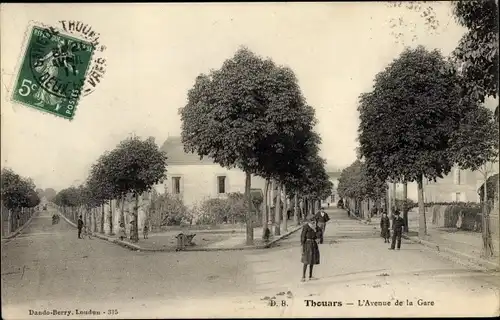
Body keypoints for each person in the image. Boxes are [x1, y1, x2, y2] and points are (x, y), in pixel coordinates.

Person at [300, 215, 321, 282]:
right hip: (307, 244)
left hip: (313, 244)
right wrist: (302, 245)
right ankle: (303, 276)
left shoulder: (315, 226)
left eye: (314, 220)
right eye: (312, 220)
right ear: (309, 220)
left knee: (312, 260)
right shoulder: (306, 226)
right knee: (306, 260)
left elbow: (319, 233)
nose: (313, 221)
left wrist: (317, 233)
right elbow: (303, 236)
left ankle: (310, 276)